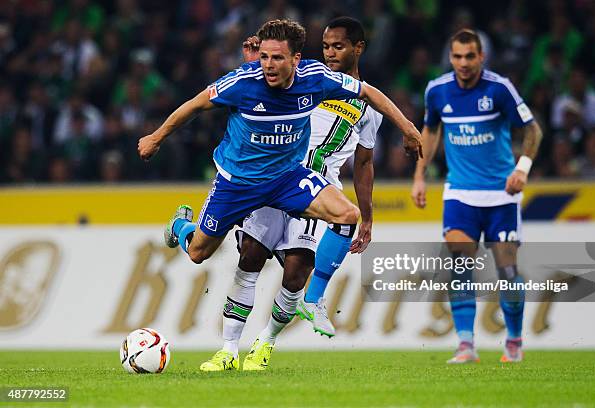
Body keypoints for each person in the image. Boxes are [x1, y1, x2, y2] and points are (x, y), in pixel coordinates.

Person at [137, 18, 421, 359]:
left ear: (296, 59)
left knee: (346, 216)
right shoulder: (243, 82)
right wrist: (156, 137)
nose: (268, 65)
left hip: (288, 177)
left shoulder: (316, 79)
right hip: (239, 182)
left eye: (277, 58)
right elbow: (195, 105)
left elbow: (368, 93)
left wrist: (407, 128)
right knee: (199, 252)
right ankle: (181, 226)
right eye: (265, 58)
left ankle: (303, 307)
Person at [199, 17, 382, 372]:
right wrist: (253, 63)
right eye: (326, 46)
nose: (330, 53)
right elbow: (260, 96)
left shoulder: (367, 107)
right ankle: (228, 349)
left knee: (296, 272)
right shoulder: (308, 81)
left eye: (338, 47)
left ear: (358, 49)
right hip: (275, 176)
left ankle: (265, 343)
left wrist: (368, 216)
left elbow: (363, 164)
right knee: (250, 256)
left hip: (318, 190)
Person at [411, 29, 542, 364]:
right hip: (460, 194)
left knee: (508, 273)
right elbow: (431, 130)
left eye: (470, 56)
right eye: (457, 56)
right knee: (460, 266)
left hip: (501, 194)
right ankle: (466, 344)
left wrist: (522, 168)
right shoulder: (437, 91)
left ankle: (514, 340)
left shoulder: (499, 88)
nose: (464, 63)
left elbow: (533, 129)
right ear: (450, 57)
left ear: (481, 56)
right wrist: (419, 177)